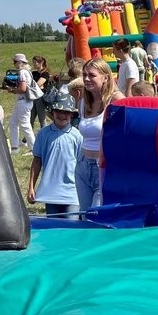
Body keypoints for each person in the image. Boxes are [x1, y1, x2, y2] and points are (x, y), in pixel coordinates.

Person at [76, 59, 125, 213]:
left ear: (105, 77)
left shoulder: (116, 100)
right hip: (83, 165)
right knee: (85, 216)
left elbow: (126, 133)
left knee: (96, 217)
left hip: (103, 166)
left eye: (92, 75)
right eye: (84, 75)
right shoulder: (84, 102)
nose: (86, 79)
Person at [27, 92, 83, 217]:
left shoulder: (77, 136)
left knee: (70, 229)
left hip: (72, 194)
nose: (62, 115)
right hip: (51, 193)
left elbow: (82, 165)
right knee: (53, 230)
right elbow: (37, 161)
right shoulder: (43, 134)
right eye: (58, 111)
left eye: (66, 112)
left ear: (72, 114)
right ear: (52, 112)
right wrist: (31, 187)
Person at [6, 53, 38, 154]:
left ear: (20, 62)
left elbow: (23, 88)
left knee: (25, 125)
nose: (14, 64)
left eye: (15, 62)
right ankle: (15, 147)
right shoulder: (27, 72)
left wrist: (12, 90)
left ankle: (34, 148)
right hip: (23, 101)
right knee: (13, 123)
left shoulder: (23, 72)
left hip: (23, 101)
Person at [30, 55, 52, 129]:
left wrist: (36, 85)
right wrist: (36, 86)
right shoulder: (33, 73)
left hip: (40, 98)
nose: (33, 64)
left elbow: (38, 84)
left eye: (35, 62)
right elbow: (34, 85)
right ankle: (26, 138)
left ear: (41, 62)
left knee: (41, 119)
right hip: (33, 97)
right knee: (30, 119)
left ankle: (43, 135)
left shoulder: (45, 74)